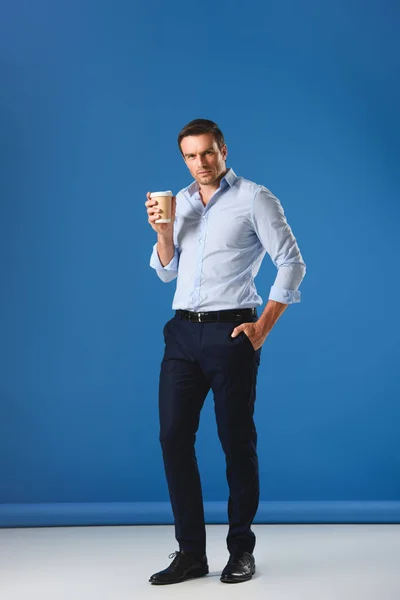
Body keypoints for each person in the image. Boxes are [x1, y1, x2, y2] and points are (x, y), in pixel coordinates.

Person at [145, 119, 306, 585]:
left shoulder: (254, 198)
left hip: (231, 333)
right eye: (191, 156)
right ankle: (191, 552)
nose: (201, 164)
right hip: (181, 334)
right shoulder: (181, 201)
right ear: (184, 159)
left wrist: (263, 326)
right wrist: (163, 231)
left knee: (236, 442)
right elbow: (165, 273)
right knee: (173, 437)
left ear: (223, 150)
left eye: (208, 153)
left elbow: (292, 262)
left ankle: (241, 550)